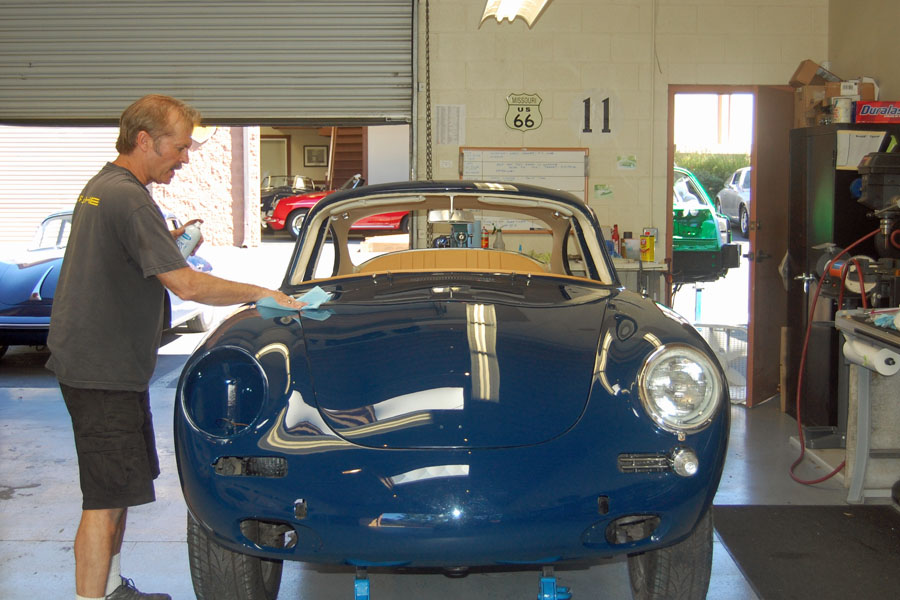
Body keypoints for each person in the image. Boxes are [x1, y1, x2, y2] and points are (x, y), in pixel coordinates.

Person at [46, 94, 301, 600]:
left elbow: (129, 259)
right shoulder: (130, 198)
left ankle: (111, 588)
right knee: (102, 502)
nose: (184, 159)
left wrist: (171, 241)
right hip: (102, 371)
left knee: (116, 491)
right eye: (179, 147)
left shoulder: (103, 188)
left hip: (99, 363)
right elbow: (186, 284)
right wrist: (261, 292)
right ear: (145, 140)